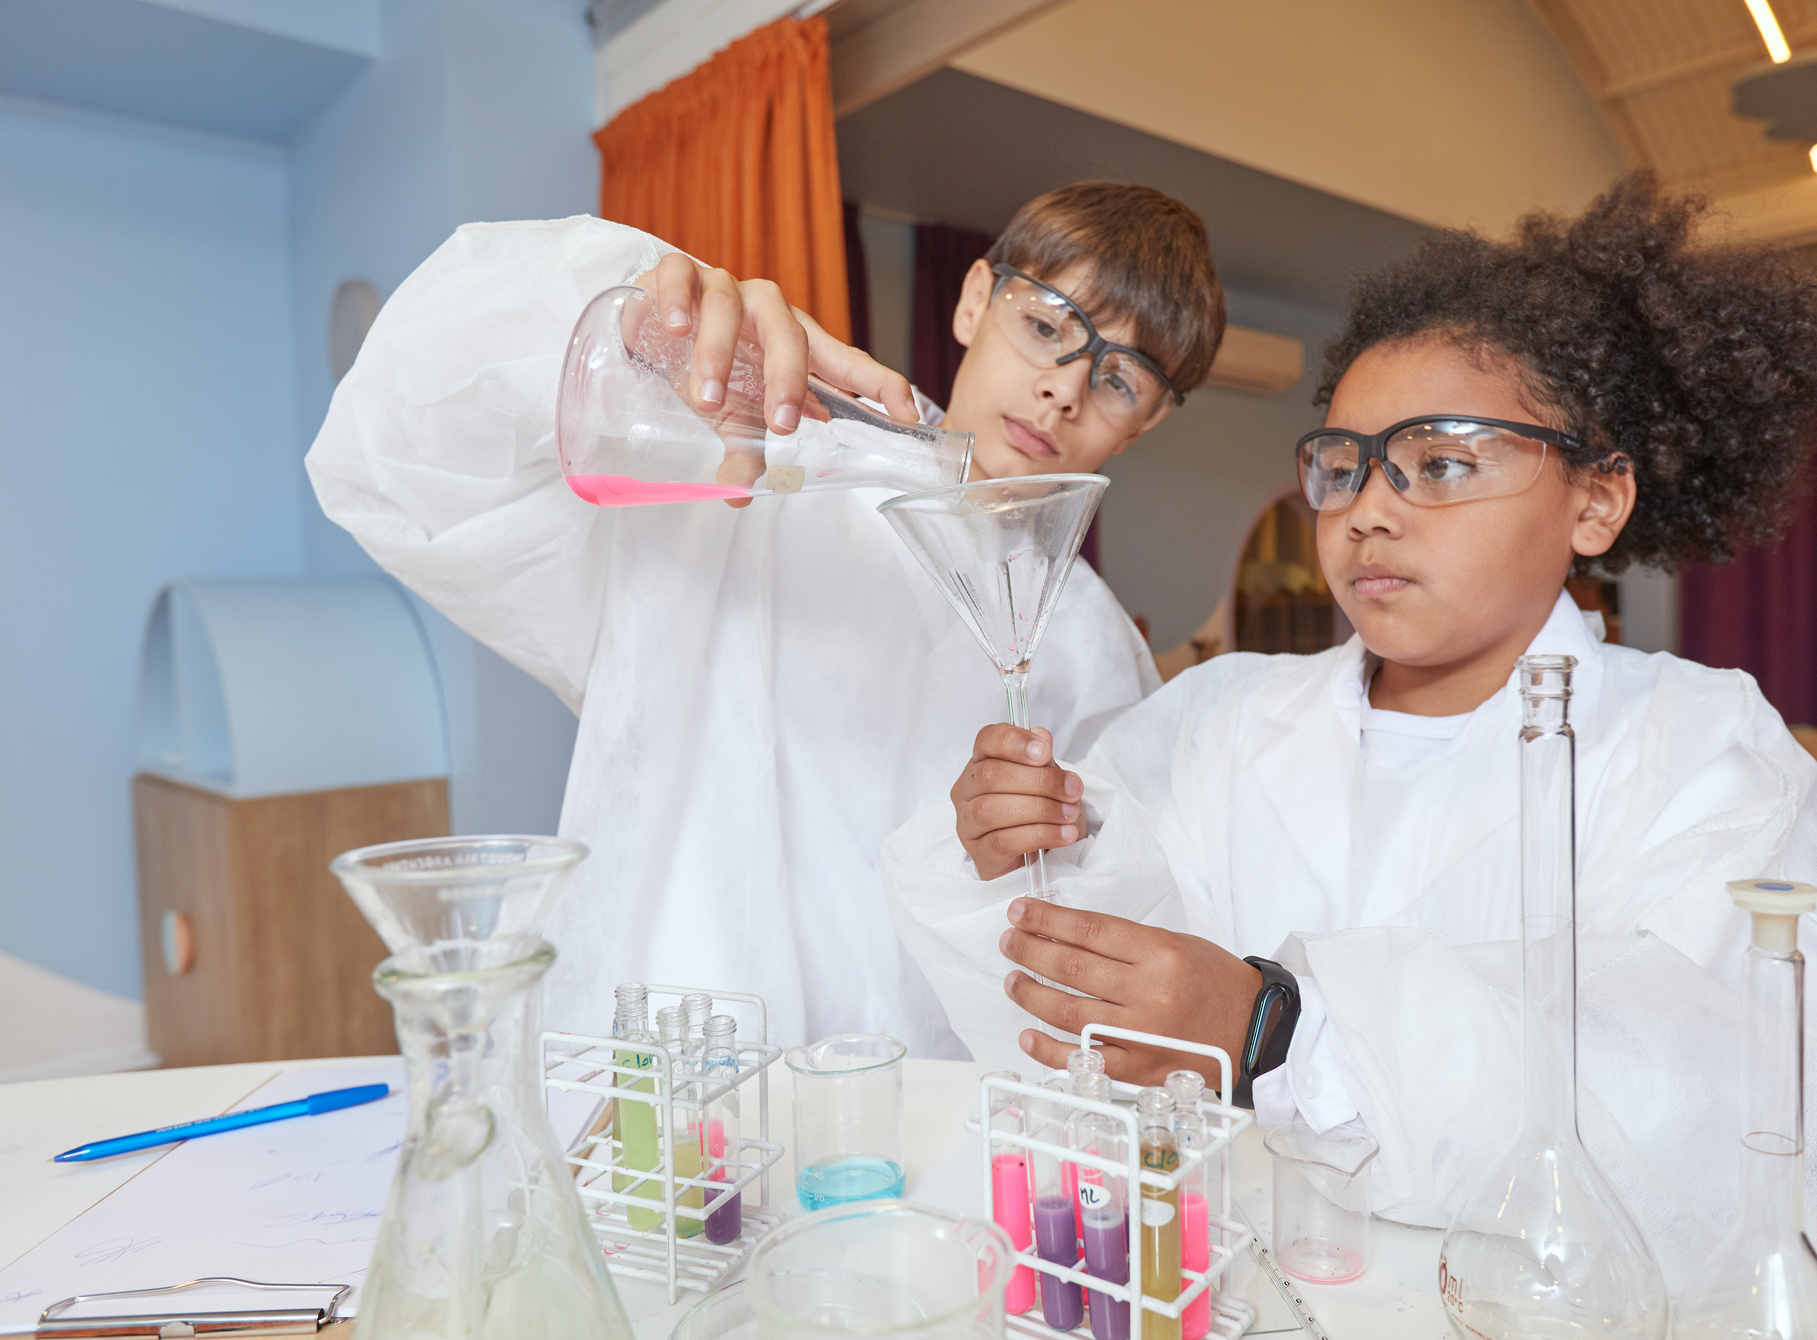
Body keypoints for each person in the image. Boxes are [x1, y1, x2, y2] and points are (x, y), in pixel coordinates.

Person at [879, 175, 1817, 1281]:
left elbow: (1733, 1095)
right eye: (1343, 462)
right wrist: (1011, 854)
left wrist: (1282, 1029)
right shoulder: (1215, 718)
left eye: (1443, 461)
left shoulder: (1698, 745)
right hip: (1233, 1285)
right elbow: (1066, 1013)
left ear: (1595, 500)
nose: (1369, 505)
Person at [306, 182, 1227, 1052]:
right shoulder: (756, 471)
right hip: (667, 1075)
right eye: (1043, 327)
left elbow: (1107, 931)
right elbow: (399, 455)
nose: (1064, 388)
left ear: (1143, 423)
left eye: (1119, 381)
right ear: (974, 299)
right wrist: (630, 321)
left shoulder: (1096, 646)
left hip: (931, 1109)